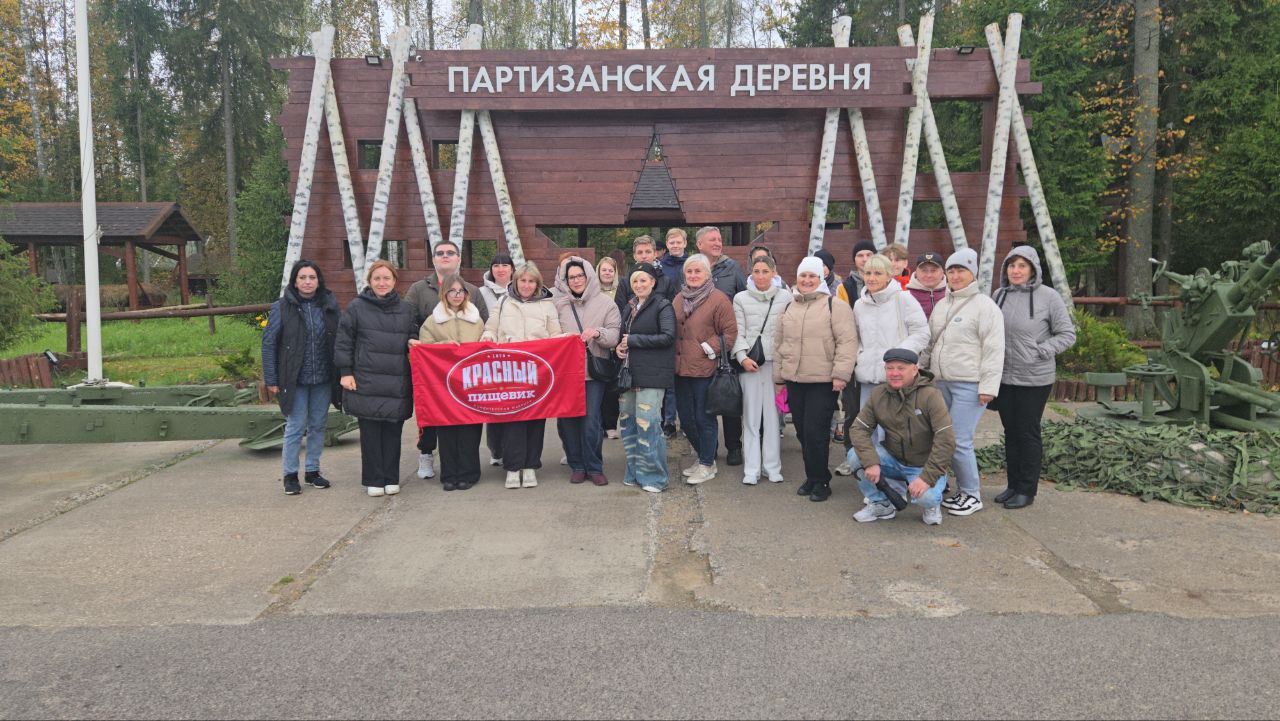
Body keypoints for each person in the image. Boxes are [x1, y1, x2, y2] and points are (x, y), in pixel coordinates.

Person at [920, 247, 1005, 515]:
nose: (955, 276)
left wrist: (988, 387)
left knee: (959, 440)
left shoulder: (985, 307)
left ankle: (971, 494)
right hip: (940, 383)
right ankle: (949, 487)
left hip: (970, 384)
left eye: (961, 271)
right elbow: (931, 343)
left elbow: (994, 349)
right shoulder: (942, 305)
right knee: (941, 437)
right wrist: (921, 371)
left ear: (973, 274)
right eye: (952, 271)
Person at [992, 246, 1077, 509]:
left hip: (1034, 378)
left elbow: (1067, 334)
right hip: (1004, 377)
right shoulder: (999, 295)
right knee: (1010, 432)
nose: (1016, 271)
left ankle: (1027, 490)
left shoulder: (1048, 297)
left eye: (1022, 266)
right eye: (1011, 265)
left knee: (1027, 433)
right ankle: (1013, 485)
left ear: (1033, 269)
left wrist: (1042, 350)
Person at [772, 257, 858, 501]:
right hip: (794, 380)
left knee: (816, 433)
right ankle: (811, 476)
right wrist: (779, 377)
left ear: (821, 278)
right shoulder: (788, 307)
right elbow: (779, 344)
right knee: (801, 431)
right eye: (803, 276)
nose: (807, 280)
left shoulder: (835, 306)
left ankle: (821, 481)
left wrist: (841, 374)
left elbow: (847, 342)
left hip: (823, 381)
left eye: (812, 276)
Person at [404, 239, 489, 481]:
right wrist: (423, 347)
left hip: (469, 382)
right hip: (440, 381)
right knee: (445, 428)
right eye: (440, 253)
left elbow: (486, 330)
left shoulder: (475, 306)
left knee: (470, 427)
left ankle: (469, 473)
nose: (445, 256)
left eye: (450, 253)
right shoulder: (421, 295)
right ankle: (445, 470)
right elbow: (411, 325)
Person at [334, 260, 419, 497]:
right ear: (370, 281)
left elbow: (413, 334)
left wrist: (414, 341)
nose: (382, 283)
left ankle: (391, 477)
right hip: (366, 379)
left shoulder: (406, 310)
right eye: (377, 278)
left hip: (395, 380)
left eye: (386, 278)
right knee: (370, 433)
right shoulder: (357, 307)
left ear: (394, 281)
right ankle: (373, 479)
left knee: (393, 432)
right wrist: (345, 372)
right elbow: (344, 341)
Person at [847, 348, 956, 526]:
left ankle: (931, 506)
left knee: (927, 497)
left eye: (901, 368)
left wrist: (926, 478)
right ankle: (881, 504)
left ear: (915, 369)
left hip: (923, 465)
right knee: (855, 456)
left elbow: (946, 440)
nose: (894, 373)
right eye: (890, 368)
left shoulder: (931, 396)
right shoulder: (878, 394)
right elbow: (858, 429)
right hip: (893, 459)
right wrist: (871, 461)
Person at [262, 260, 340, 496]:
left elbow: (339, 338)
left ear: (318, 281)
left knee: (318, 425)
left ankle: (313, 471)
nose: (307, 282)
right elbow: (269, 343)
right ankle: (290, 475)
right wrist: (271, 378)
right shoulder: (282, 307)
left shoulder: (329, 306)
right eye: (302, 277)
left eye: (312, 277)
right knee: (295, 426)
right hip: (294, 379)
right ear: (295, 281)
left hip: (323, 378)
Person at [482, 262, 563, 489]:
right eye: (523, 281)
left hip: (537, 371)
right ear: (515, 282)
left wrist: (566, 341)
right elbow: (491, 328)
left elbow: (555, 334)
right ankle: (513, 467)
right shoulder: (503, 302)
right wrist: (487, 337)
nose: (526, 285)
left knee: (536, 419)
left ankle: (530, 466)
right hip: (510, 371)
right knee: (512, 421)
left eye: (531, 281)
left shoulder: (547, 305)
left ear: (537, 284)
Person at [554, 256, 622, 486]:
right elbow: (548, 332)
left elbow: (614, 335)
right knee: (568, 422)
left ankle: (594, 467)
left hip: (593, 373)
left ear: (588, 276)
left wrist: (597, 333)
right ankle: (577, 465)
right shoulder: (559, 304)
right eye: (571, 277)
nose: (576, 280)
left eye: (580, 276)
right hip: (565, 374)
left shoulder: (606, 303)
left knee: (591, 421)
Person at [673, 253, 738, 483]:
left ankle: (707, 464)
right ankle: (704, 456)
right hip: (680, 369)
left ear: (707, 274)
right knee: (686, 419)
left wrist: (707, 348)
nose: (693, 275)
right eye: (689, 271)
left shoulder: (718, 299)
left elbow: (730, 333)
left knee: (704, 418)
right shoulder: (679, 298)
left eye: (697, 271)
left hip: (705, 369)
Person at [616, 265, 676, 492]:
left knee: (648, 426)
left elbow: (668, 336)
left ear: (653, 282)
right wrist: (619, 348)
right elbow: (623, 337)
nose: (639, 285)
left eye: (643, 280)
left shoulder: (663, 305)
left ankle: (654, 478)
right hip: (629, 375)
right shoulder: (629, 306)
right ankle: (634, 472)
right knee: (629, 426)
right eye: (635, 281)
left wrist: (633, 340)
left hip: (652, 376)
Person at [733, 254, 792, 485]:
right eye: (756, 271)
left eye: (765, 271)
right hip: (751, 365)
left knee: (773, 418)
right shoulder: (740, 298)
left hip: (775, 366)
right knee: (750, 418)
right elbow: (737, 331)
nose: (760, 276)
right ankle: (752, 468)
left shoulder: (786, 297)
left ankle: (772, 466)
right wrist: (742, 357)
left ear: (773, 272)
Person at [853, 254, 930, 431]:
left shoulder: (904, 299)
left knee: (892, 432)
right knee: (867, 429)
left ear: (889, 276)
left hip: (896, 378)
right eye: (868, 273)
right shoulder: (859, 305)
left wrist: (898, 355)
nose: (871, 278)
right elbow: (857, 338)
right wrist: (861, 357)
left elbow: (922, 333)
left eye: (878, 273)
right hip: (867, 378)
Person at [695, 226, 747, 466]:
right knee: (703, 399)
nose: (718, 243)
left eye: (719, 239)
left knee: (728, 396)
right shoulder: (692, 268)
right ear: (699, 244)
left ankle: (734, 446)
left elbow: (743, 299)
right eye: (712, 240)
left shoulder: (732, 268)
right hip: (699, 347)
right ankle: (709, 447)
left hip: (726, 343)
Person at [834, 239, 877, 470]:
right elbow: (844, 322)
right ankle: (851, 456)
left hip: (879, 358)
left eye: (869, 254)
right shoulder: (845, 287)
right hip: (854, 355)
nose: (865, 259)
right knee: (852, 409)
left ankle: (878, 456)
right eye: (860, 255)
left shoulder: (887, 285)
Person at [478, 253, 514, 467]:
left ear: (512, 269)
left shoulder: (520, 289)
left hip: (516, 356)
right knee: (494, 406)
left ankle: (512, 449)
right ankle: (496, 450)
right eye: (496, 265)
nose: (501, 269)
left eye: (505, 265)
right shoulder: (480, 292)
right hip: (490, 355)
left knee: (514, 403)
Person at [596, 256, 623, 439]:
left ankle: (611, 425)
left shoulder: (620, 291)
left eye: (610, 270)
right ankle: (597, 425)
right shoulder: (592, 292)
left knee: (613, 390)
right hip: (597, 345)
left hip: (615, 346)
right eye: (604, 270)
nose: (607, 273)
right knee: (597, 389)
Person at [616, 235, 677, 312]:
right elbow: (620, 312)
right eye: (640, 252)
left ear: (655, 254)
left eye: (648, 252)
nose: (644, 256)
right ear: (634, 256)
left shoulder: (666, 281)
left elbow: (671, 311)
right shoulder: (625, 282)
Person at [906, 252, 947, 320]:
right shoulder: (906, 295)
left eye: (933, 270)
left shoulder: (952, 293)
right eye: (924, 270)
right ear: (916, 272)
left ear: (942, 272)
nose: (929, 275)